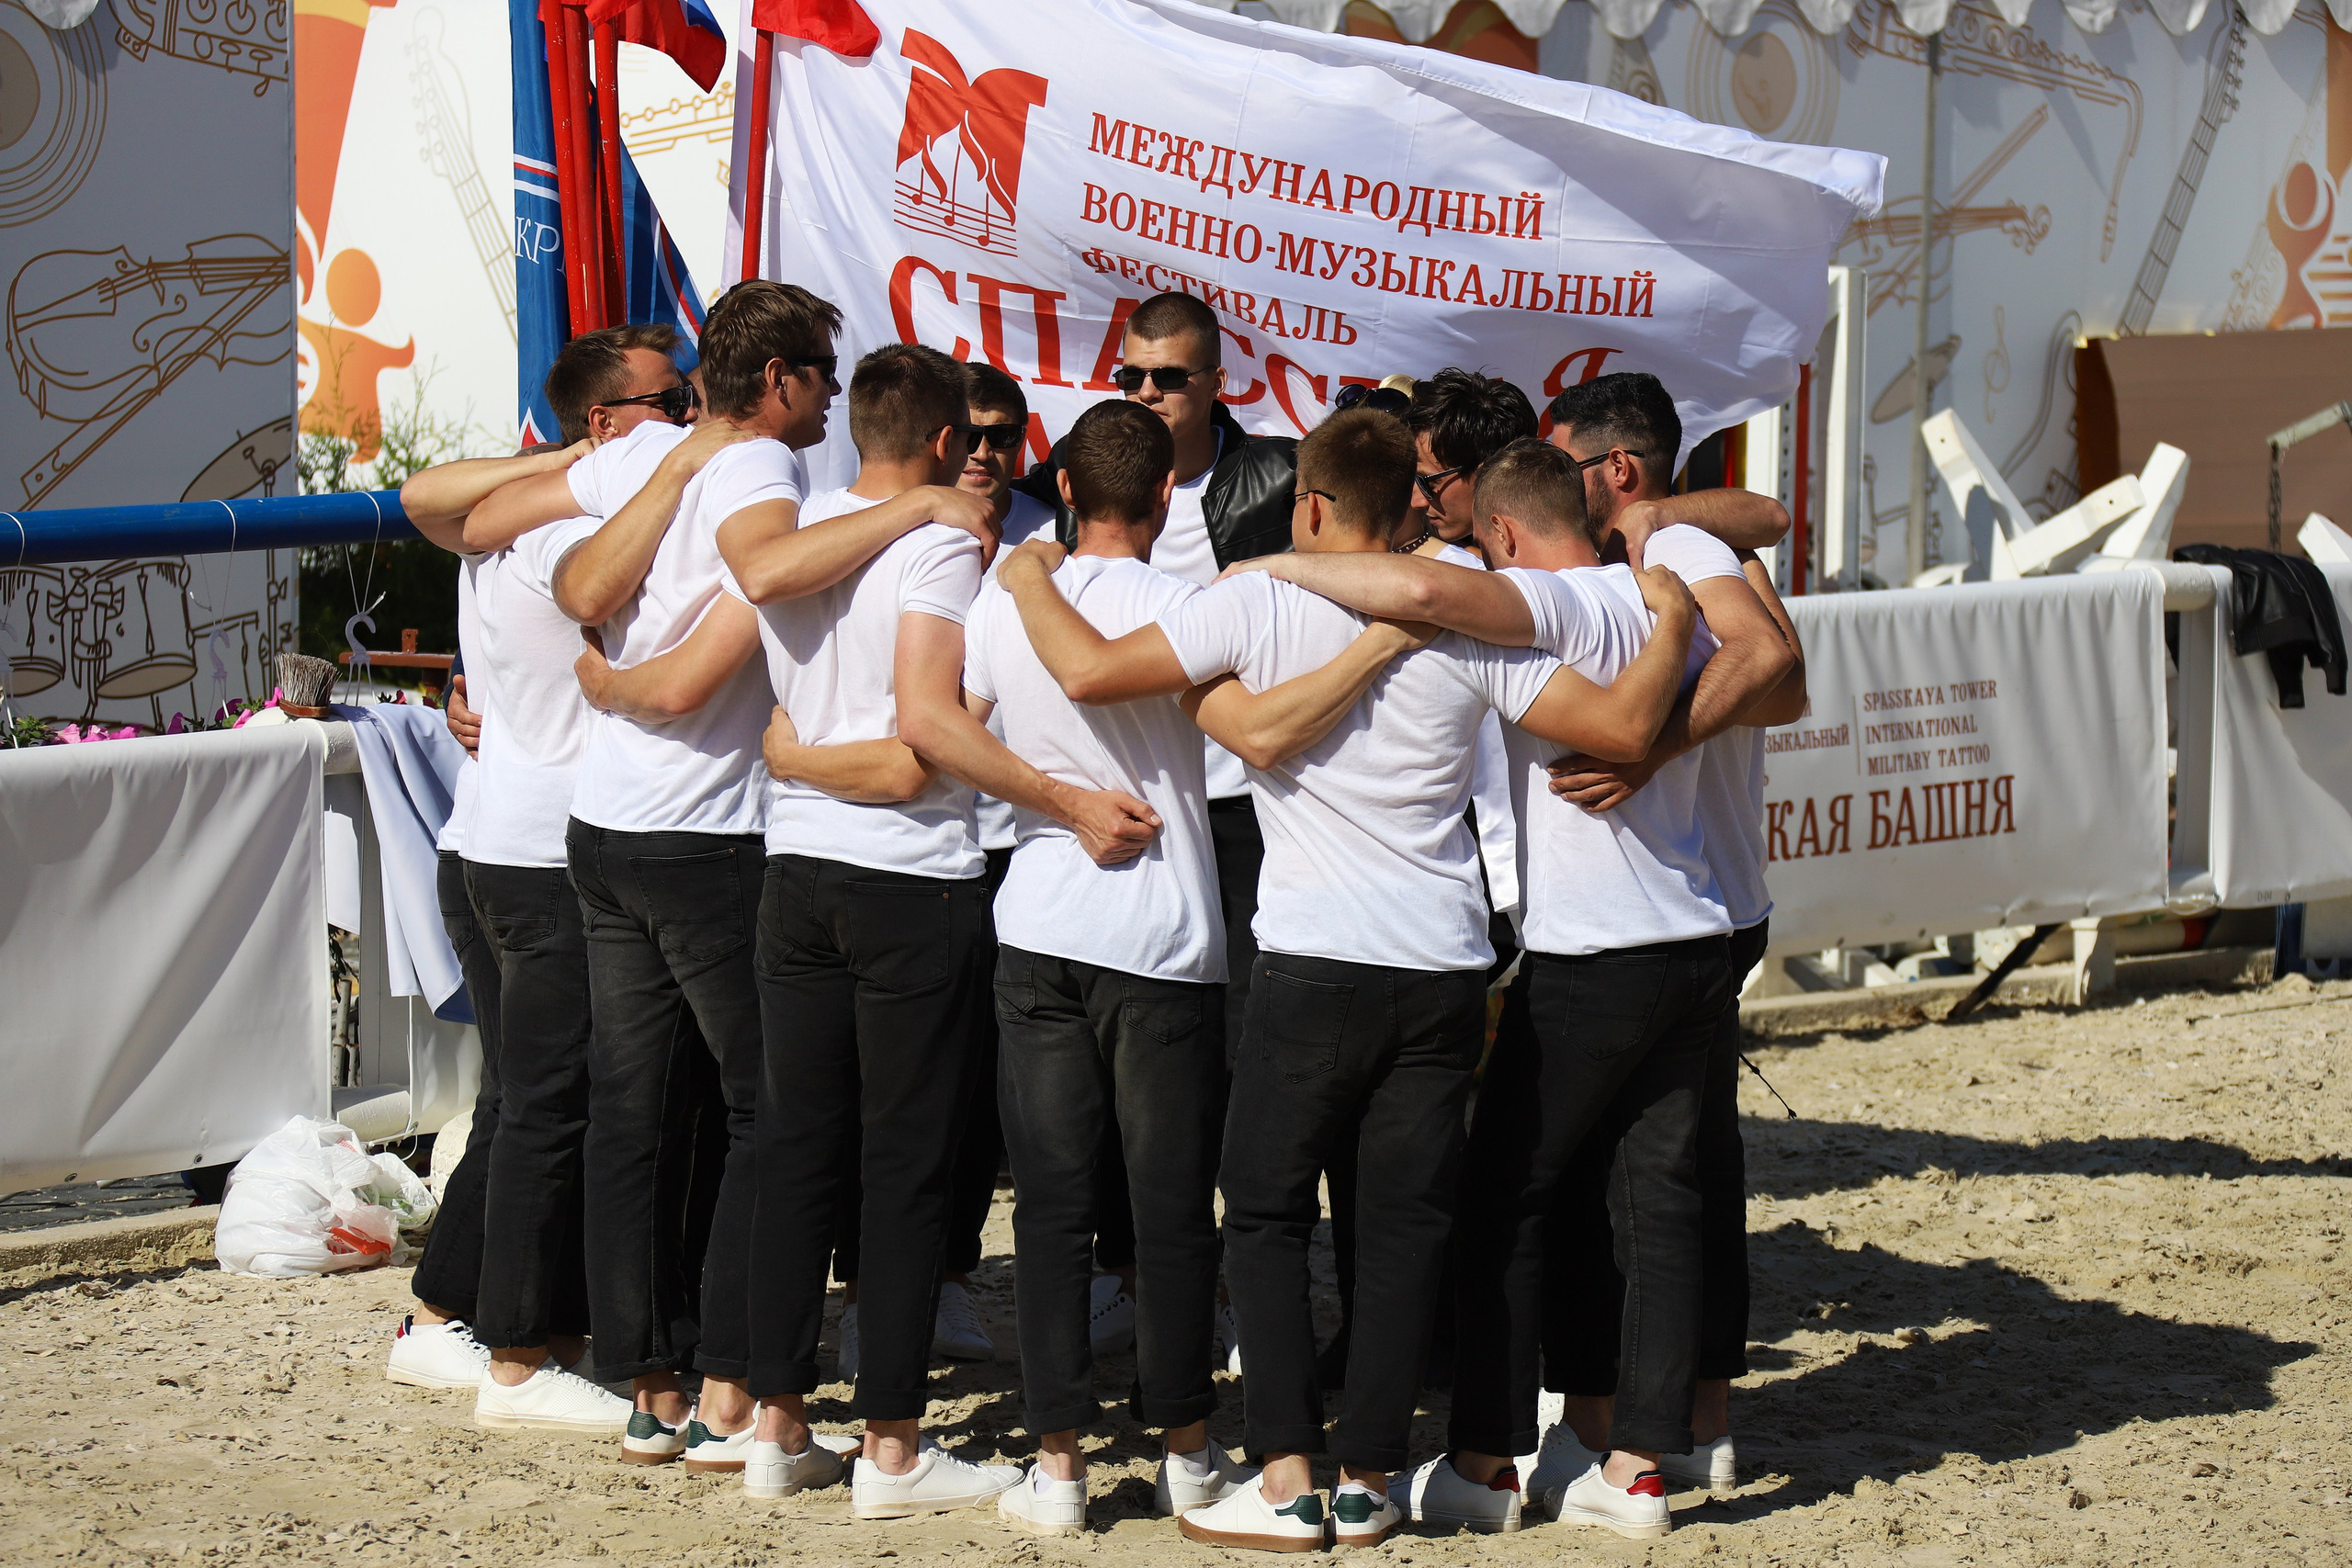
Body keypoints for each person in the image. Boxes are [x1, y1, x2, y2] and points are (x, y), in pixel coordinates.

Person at [999, 410, 1698, 1551]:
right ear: (1404, 505)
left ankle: (1288, 1476)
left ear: (1311, 505)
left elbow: (1087, 670)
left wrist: (1029, 572)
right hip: (1441, 960)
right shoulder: (1457, 618)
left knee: (1265, 1214)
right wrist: (1668, 622)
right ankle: (1369, 1479)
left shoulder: (1254, 600)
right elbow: (1623, 728)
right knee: (1402, 1225)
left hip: (1317, 958)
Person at [463, 282, 997, 1470]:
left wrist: (660, 490)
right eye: (820, 372)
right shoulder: (759, 467)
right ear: (780, 381)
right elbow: (735, 608)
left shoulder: (647, 451)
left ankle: (652, 1386)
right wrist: (919, 503)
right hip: (703, 834)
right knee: (768, 1120)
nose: (830, 398)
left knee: (635, 1112)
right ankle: (731, 1388)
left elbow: (564, 580)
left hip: (606, 825)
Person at [1238, 436, 1784, 1539]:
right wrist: (1672, 629)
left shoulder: (1550, 601)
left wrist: (1273, 567)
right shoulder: (1656, 590)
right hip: (1694, 936)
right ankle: (1638, 1467)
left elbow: (1420, 592)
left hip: (1591, 952)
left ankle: (1485, 1461)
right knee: (1661, 1209)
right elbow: (1772, 638)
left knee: (1502, 1204)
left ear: (1500, 533)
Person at [977, 400, 1443, 1536]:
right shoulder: (1191, 605)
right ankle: (1187, 1448)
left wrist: (1053, 796)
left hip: (1039, 918)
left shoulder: (1004, 599)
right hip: (1166, 930)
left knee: (1049, 1207)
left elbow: (951, 731)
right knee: (1173, 1209)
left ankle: (1057, 1464)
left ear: (1067, 492)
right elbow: (1237, 731)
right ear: (1165, 497)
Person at [727, 343, 1139, 1517]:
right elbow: (919, 745)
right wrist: (1061, 799)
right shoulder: (940, 540)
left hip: (798, 867)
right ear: (950, 442)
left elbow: (833, 704)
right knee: (905, 1165)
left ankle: (777, 1426)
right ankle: (893, 1447)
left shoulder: (802, 526)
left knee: (797, 1150)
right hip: (907, 879)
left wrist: (798, 758)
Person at [382, 323, 689, 1408]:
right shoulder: (577, 518)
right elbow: (422, 496)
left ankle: (481, 1319)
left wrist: (582, 460)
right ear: (606, 422)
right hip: (534, 851)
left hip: (492, 840)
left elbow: (432, 504)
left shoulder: (520, 514)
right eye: (671, 403)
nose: (690, 419)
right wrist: (585, 462)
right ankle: (493, 1341)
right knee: (547, 1104)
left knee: (528, 1098)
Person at [1534, 371, 1807, 1503]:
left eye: (1565, 464)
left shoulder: (1677, 548)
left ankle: (1670, 1417)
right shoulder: (1673, 542)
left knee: (1654, 1175)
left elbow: (1778, 671)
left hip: (1693, 899)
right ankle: (1681, 1418)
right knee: (1676, 1170)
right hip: (1700, 898)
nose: (1553, 485)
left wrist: (1647, 749)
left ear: (1618, 469)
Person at [1016, 295, 1295, 1201]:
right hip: (1122, 802)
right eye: (1129, 375)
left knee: (1240, 1027)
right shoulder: (1064, 487)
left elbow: (1388, 527)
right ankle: (1130, 1248)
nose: (1145, 392)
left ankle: (1227, 1239)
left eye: (1168, 377)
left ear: (1216, 383)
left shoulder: (1280, 479)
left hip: (1241, 800)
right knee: (1113, 1046)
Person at [1397, 368, 1539, 558]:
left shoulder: (1552, 568)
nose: (1417, 502)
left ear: (1488, 476)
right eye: (1412, 478)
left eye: (1429, 483)